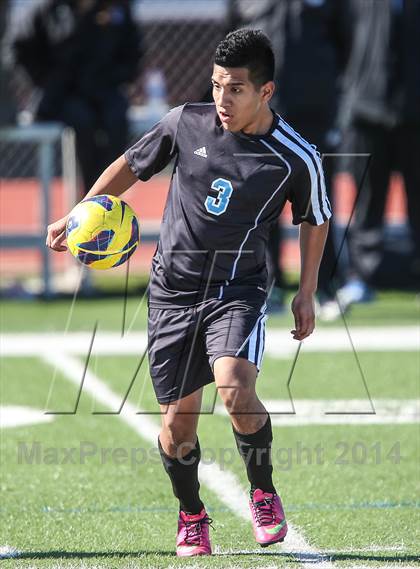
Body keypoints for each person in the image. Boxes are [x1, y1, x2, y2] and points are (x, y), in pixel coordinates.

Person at [46, 29, 331, 557]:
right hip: (172, 293)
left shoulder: (296, 157)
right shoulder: (186, 122)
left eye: (237, 89)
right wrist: (81, 211)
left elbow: (316, 220)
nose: (222, 99)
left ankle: (263, 493)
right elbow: (131, 166)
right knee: (177, 429)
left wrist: (307, 291)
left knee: (234, 387)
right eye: (217, 85)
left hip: (236, 291)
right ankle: (192, 513)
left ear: (265, 92)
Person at [337, 0, 420, 306]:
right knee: (368, 199)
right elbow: (340, 39)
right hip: (367, 110)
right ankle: (362, 278)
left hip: (414, 113)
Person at [12, 0, 141, 195]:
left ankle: (111, 190)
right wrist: (46, 82)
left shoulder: (116, 8)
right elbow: (20, 48)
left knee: (116, 118)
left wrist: (117, 77)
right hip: (61, 96)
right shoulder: (49, 10)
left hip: (104, 92)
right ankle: (91, 197)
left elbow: (133, 52)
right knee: (83, 120)